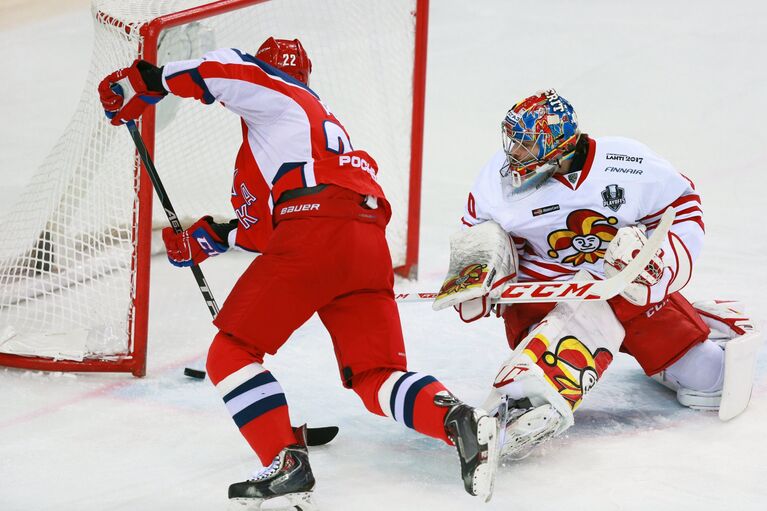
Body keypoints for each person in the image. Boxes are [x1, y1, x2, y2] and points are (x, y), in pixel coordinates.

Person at [97, 38, 499, 507]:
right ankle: (459, 421)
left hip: (315, 231)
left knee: (229, 354)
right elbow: (267, 229)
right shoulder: (303, 130)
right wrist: (211, 237)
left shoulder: (273, 89)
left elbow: (229, 74)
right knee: (376, 373)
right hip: (364, 240)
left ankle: (284, 459)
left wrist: (148, 80)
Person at [434, 88, 760, 460]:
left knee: (711, 381)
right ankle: (530, 395)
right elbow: (477, 230)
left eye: (525, 144)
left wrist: (663, 268)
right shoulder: (498, 178)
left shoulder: (626, 162)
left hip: (624, 287)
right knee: (574, 330)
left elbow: (683, 205)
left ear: (557, 145)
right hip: (545, 296)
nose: (514, 154)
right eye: (513, 142)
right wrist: (477, 277)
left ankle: (694, 326)